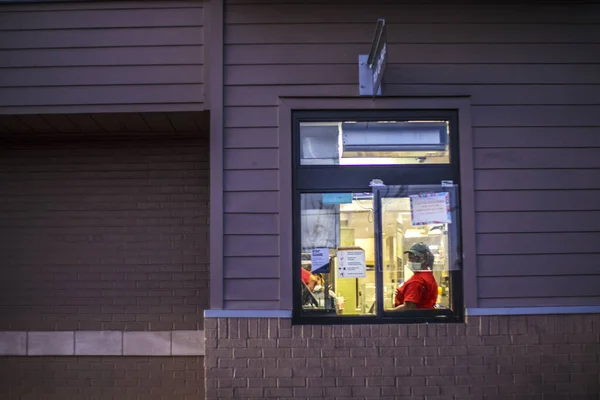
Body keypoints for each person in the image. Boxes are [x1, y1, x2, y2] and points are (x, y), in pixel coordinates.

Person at [393, 242, 438, 311]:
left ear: (425, 260)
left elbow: (408, 308)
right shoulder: (428, 275)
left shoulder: (416, 280)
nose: (410, 261)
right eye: (410, 258)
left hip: (413, 319)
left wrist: (386, 313)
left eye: (415, 258)